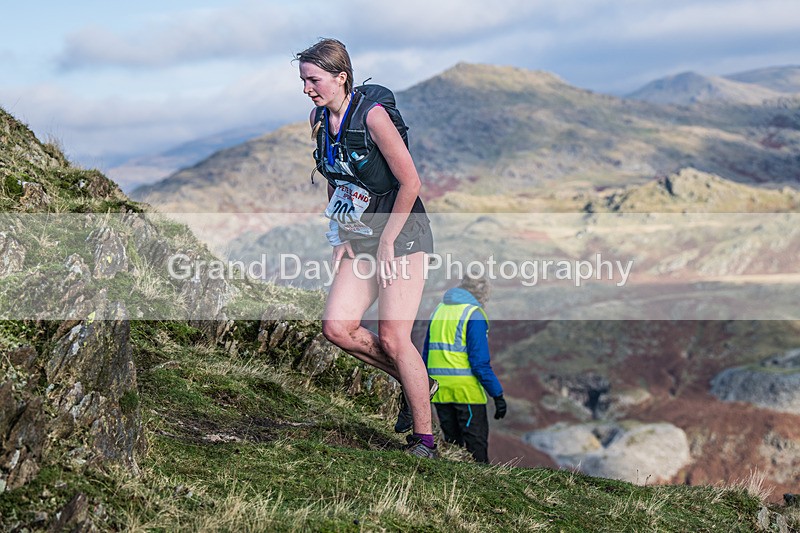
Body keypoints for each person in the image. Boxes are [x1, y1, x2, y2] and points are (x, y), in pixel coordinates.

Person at [296, 38, 438, 458]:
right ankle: (418, 382)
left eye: (314, 80)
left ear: (341, 77)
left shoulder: (373, 118)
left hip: (403, 235)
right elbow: (335, 178)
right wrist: (339, 235)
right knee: (337, 327)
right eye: (303, 80)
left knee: (395, 337)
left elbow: (410, 182)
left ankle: (424, 441)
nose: (307, 89)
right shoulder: (318, 119)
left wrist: (389, 241)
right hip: (359, 237)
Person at [422, 275, 506, 463]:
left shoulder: (438, 310)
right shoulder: (473, 314)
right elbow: (479, 363)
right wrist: (497, 395)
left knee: (452, 447)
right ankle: (483, 488)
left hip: (439, 389)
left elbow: (425, 353)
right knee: (476, 448)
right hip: (465, 391)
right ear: (483, 294)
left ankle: (453, 487)